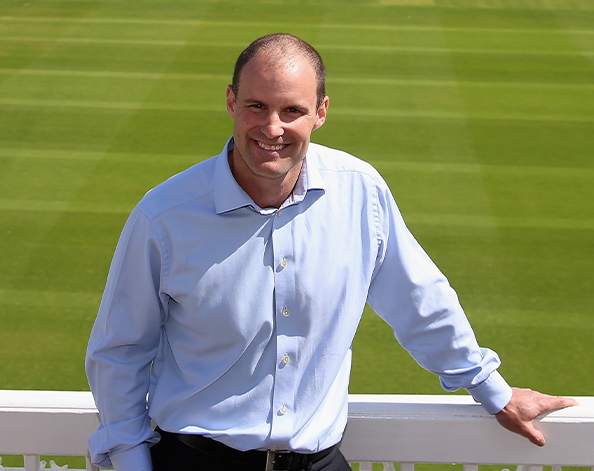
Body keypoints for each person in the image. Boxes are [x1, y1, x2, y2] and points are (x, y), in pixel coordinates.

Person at [85, 33, 577, 471]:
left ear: (321, 113)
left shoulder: (360, 191)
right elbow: (119, 350)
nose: (272, 127)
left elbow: (419, 301)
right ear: (231, 102)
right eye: (256, 106)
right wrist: (130, 460)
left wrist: (492, 390)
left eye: (292, 110)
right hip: (194, 460)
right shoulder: (164, 214)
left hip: (319, 460)